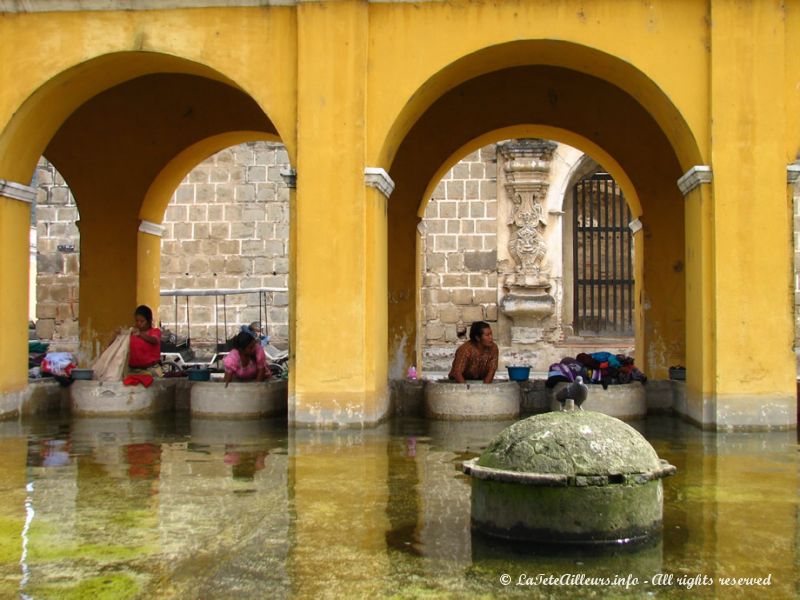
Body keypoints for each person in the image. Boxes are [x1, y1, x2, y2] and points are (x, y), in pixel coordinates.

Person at [129, 305, 163, 376]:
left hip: (151, 371)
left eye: (142, 321)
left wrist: (140, 334)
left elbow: (154, 340)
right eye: (137, 321)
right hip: (133, 371)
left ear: (149, 321)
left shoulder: (155, 332)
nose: (139, 323)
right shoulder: (132, 333)